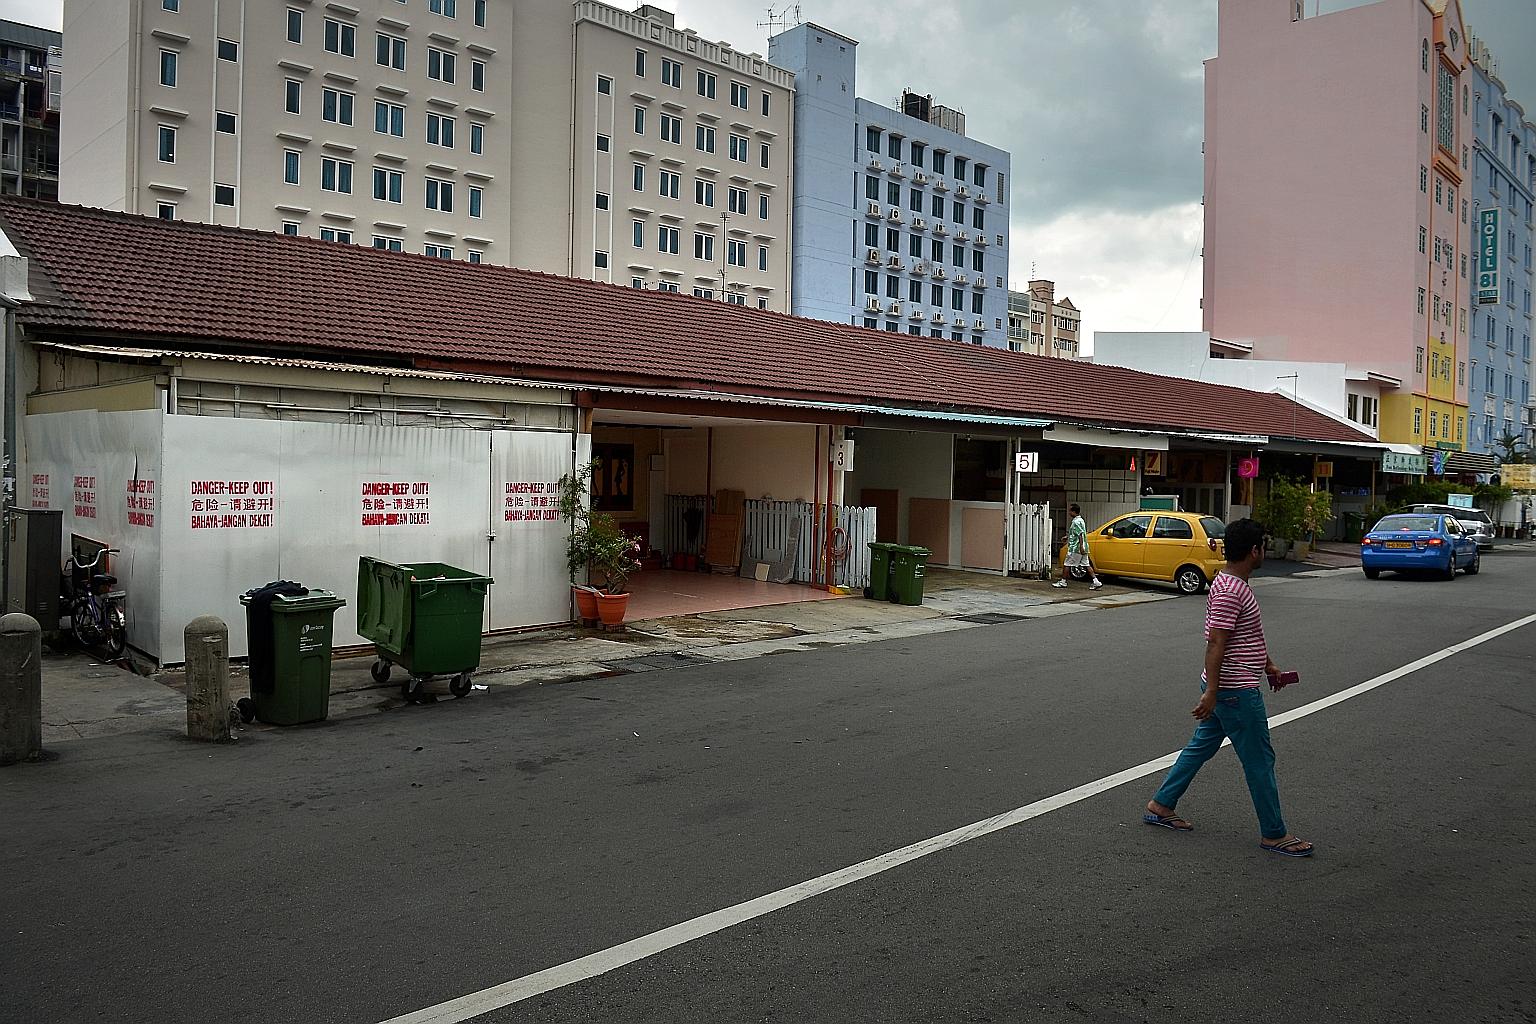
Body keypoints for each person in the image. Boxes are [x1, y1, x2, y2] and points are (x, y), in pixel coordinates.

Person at [1143, 517, 1314, 857]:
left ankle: (1161, 804)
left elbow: (1244, 637)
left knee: (1201, 747)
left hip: (1227, 688)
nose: (1264, 551)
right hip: (1234, 691)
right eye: (1263, 546)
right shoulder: (1232, 591)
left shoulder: (1228, 582)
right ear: (1254, 551)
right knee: (1259, 760)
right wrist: (1213, 692)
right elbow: (1216, 643)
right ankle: (1274, 833)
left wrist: (1268, 665)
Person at [1052, 503, 1102, 590]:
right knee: (1086, 564)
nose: (1069, 512)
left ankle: (1063, 581)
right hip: (1083, 547)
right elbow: (1077, 533)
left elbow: (1080, 534)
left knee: (1067, 564)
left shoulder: (1076, 522)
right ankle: (1096, 581)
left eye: (1070, 510)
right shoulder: (1081, 520)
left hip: (1076, 548)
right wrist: (1068, 537)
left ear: (1074, 511)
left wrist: (1081, 546)